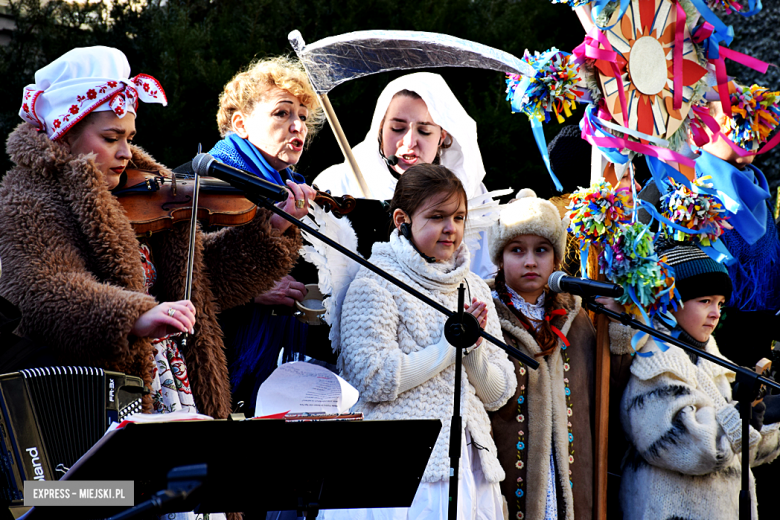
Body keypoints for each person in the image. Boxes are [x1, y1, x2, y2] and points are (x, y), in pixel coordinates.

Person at [0, 47, 307, 421]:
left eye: (130, 137)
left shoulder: (141, 191)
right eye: (111, 138)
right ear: (65, 136)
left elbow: (202, 280)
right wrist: (133, 317)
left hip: (177, 388)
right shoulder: (28, 197)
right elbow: (44, 291)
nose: (126, 152)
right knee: (116, 482)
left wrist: (270, 231)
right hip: (96, 395)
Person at [324, 164, 516, 520]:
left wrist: (471, 351)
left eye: (459, 217)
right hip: (399, 468)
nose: (451, 228)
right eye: (437, 216)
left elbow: (498, 392)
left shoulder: (474, 287)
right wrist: (450, 348)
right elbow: (372, 378)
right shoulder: (376, 281)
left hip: (470, 467)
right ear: (403, 219)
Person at [485, 189, 636, 520]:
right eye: (516, 250)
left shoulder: (576, 315)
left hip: (572, 479)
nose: (529, 261)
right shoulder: (485, 314)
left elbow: (611, 391)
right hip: (508, 476)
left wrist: (618, 329)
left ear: (556, 260)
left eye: (541, 250)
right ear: (499, 258)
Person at [619, 242, 780, 519]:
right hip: (672, 510)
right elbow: (683, 446)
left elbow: (743, 455)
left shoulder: (713, 360)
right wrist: (741, 416)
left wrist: (768, 417)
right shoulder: (656, 361)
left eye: (719, 303)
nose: (716, 312)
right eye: (704, 301)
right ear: (671, 302)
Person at [203, 56, 327, 413]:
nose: (297, 126)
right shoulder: (204, 185)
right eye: (282, 113)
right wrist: (251, 287)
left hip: (280, 375)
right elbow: (179, 277)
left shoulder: (293, 190)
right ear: (241, 123)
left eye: (303, 116)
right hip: (217, 372)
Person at [313, 72, 498, 278]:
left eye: (425, 131)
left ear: (441, 137)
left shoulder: (470, 191)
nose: (409, 142)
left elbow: (487, 274)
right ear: (380, 129)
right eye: (397, 128)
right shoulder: (335, 183)